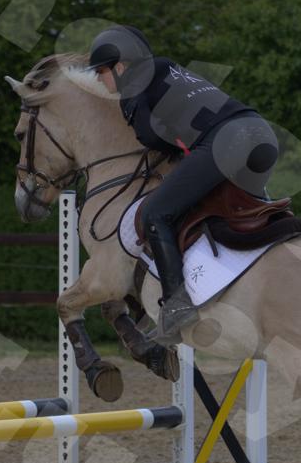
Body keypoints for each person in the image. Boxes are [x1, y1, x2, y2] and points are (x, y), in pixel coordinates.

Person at [86, 25, 280, 343]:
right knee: (221, 210)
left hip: (227, 142)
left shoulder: (133, 85)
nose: (98, 78)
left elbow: (150, 136)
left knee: (156, 214)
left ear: (120, 67)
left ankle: (177, 308)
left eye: (101, 71)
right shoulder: (167, 67)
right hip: (262, 136)